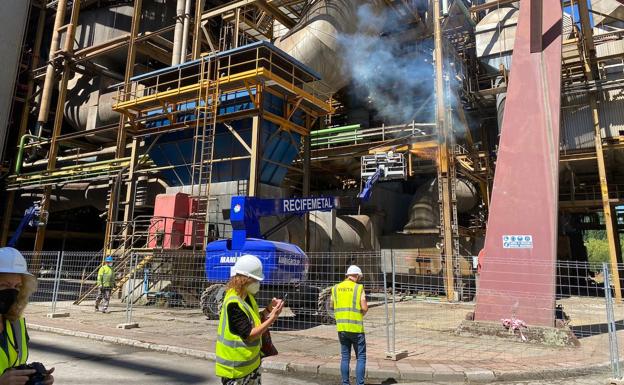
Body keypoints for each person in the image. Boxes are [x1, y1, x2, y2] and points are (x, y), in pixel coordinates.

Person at [215, 254, 284, 385]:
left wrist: (269, 310)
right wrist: (272, 318)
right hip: (236, 370)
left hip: (251, 365)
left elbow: (253, 319)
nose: (258, 284)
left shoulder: (247, 296)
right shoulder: (233, 303)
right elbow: (249, 335)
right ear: (244, 279)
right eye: (255, 280)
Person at [0, 247, 54, 384]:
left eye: (17, 286)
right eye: (4, 286)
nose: (12, 292)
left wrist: (32, 377)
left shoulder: (15, 323)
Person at [331, 265, 368, 385]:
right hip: (356, 328)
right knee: (361, 357)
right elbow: (364, 307)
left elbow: (332, 305)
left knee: (345, 357)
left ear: (347, 275)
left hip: (341, 328)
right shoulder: (358, 288)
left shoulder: (335, 288)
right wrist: (360, 313)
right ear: (357, 276)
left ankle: (345, 383)